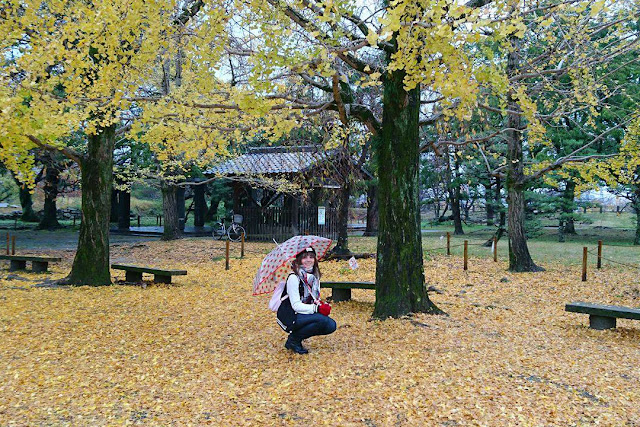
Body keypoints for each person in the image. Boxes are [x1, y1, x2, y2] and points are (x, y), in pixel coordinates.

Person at [283, 247, 336, 354]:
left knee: (330, 325)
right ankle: (294, 340)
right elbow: (296, 306)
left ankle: (294, 338)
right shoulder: (294, 277)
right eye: (304, 257)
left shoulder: (314, 277)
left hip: (303, 314)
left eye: (311, 257)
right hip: (291, 315)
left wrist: (319, 303)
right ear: (298, 259)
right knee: (323, 321)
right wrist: (316, 308)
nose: (308, 260)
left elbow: (314, 298)